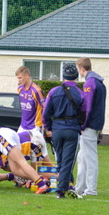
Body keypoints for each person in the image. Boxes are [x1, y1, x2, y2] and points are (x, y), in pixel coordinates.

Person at [42, 64, 84, 199]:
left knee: (60, 159)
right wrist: (81, 126)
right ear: (76, 77)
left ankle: (64, 183)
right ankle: (62, 189)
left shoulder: (53, 92)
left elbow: (45, 113)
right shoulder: (80, 93)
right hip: (72, 129)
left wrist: (49, 127)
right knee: (68, 161)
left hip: (57, 129)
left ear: (63, 76)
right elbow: (85, 112)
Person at [75, 57, 106, 196]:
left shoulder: (90, 83)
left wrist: (82, 124)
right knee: (83, 157)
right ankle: (80, 187)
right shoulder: (98, 82)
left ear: (81, 68)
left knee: (89, 157)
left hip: (89, 124)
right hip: (95, 123)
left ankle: (91, 188)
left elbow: (87, 106)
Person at [15, 66, 46, 136]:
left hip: (35, 126)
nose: (19, 80)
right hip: (23, 125)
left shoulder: (36, 90)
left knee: (36, 147)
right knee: (17, 145)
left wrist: (46, 126)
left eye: (20, 78)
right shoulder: (20, 89)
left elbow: (44, 108)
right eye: (18, 78)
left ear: (27, 76)